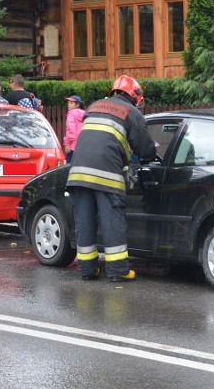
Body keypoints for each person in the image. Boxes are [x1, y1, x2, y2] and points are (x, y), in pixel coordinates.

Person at [66, 75, 156, 282]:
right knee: (112, 222)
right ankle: (118, 271)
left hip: (78, 173)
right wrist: (151, 155)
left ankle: (87, 270)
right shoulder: (131, 113)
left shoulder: (94, 107)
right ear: (134, 96)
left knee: (85, 222)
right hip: (106, 175)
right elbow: (145, 148)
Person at [63, 95, 85, 163]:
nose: (69, 105)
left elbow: (71, 130)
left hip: (72, 146)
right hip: (82, 145)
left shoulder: (71, 114)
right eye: (68, 103)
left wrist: (67, 144)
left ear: (77, 105)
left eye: (71, 103)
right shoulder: (85, 114)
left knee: (68, 169)